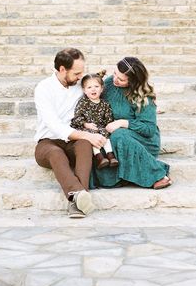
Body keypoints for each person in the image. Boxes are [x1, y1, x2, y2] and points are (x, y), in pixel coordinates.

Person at [34, 48, 106, 218]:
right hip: (47, 142)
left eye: (82, 72)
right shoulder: (44, 88)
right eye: (77, 73)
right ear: (62, 70)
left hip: (74, 142)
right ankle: (79, 195)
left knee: (84, 144)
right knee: (56, 152)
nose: (81, 76)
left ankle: (77, 201)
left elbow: (99, 85)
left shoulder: (79, 86)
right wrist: (88, 134)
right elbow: (54, 126)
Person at [94, 56, 172, 190]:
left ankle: (157, 174)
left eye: (121, 79)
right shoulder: (109, 84)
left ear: (133, 81)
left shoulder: (143, 96)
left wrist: (122, 122)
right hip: (113, 137)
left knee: (119, 136)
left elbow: (149, 129)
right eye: (115, 74)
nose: (115, 80)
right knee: (100, 147)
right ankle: (125, 177)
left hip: (143, 140)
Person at [70, 71, 119, 170]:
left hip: (100, 128)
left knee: (105, 136)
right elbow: (77, 117)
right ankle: (100, 157)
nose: (93, 89)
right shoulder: (83, 102)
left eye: (96, 86)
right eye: (89, 87)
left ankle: (110, 156)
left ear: (102, 89)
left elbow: (108, 118)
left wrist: (108, 126)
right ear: (84, 90)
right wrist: (86, 124)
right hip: (86, 128)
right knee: (92, 137)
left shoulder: (105, 104)